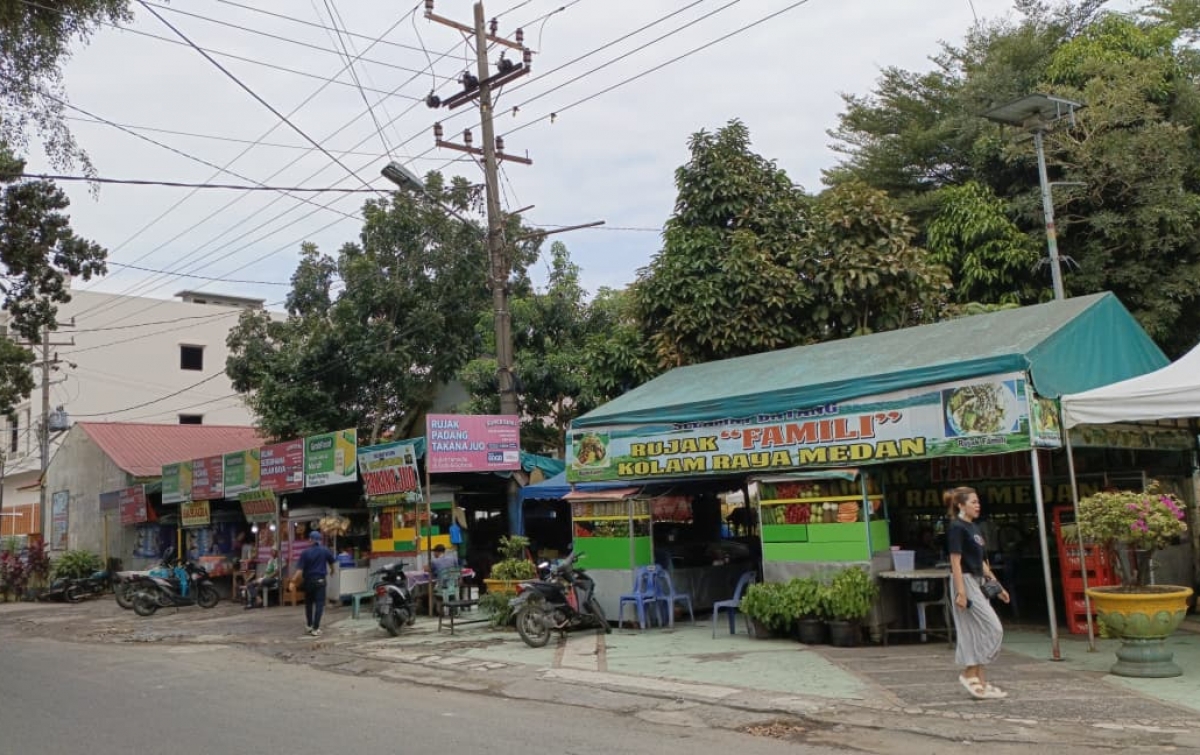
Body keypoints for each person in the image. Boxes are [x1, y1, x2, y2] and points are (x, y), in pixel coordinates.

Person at [946, 486, 1011, 700]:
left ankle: (980, 682)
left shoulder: (973, 527)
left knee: (976, 631)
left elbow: (981, 562)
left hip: (978, 580)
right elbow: (955, 561)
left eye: (978, 502)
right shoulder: (956, 527)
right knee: (993, 628)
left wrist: (997, 586)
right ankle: (969, 672)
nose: (977, 505)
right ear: (961, 505)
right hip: (964, 581)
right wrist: (961, 592)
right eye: (973, 502)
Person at [296, 531, 336, 636]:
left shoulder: (305, 553)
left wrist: (293, 581)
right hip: (320, 581)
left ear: (310, 540)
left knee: (308, 604)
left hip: (308, 581)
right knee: (319, 604)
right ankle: (315, 628)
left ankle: (309, 625)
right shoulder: (325, 550)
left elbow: (299, 571)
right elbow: (332, 562)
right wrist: (332, 571)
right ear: (319, 540)